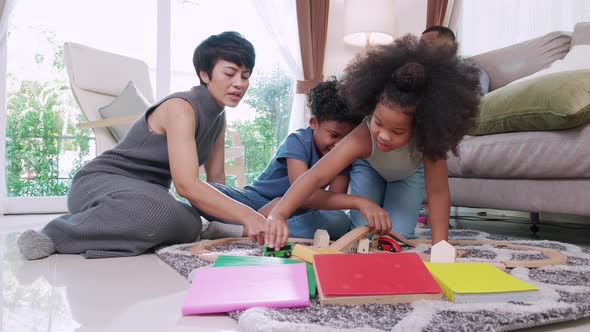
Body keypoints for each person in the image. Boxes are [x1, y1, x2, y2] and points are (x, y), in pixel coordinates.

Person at [17, 31, 268, 260]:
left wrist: (226, 222)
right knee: (161, 212)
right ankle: (55, 234)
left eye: (245, 76)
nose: (239, 83)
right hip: (100, 181)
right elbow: (186, 185)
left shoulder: (219, 117)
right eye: (230, 73)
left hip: (147, 194)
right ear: (205, 74)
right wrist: (247, 215)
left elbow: (216, 181)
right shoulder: (182, 108)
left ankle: (132, 224)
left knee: (190, 224)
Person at [264, 35, 481, 249]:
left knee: (396, 235)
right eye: (378, 122)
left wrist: (441, 247)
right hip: (370, 169)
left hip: (407, 175)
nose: (384, 136)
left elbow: (438, 193)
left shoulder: (429, 141)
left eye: (398, 131)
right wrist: (279, 214)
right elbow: (316, 175)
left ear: (422, 127)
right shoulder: (363, 136)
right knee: (364, 236)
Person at [200, 77, 369, 240]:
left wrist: (283, 206)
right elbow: (304, 193)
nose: (339, 145)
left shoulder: (345, 155)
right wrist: (357, 201)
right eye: (334, 135)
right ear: (313, 122)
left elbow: (333, 200)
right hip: (256, 200)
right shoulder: (298, 141)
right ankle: (256, 224)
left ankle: (241, 231)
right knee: (208, 190)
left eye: (346, 139)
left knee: (339, 220)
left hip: (297, 210)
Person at [421, 25, 490, 94]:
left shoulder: (472, 72)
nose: (421, 48)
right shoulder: (423, 70)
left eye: (430, 43)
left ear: (449, 45)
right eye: (421, 44)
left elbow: (478, 99)